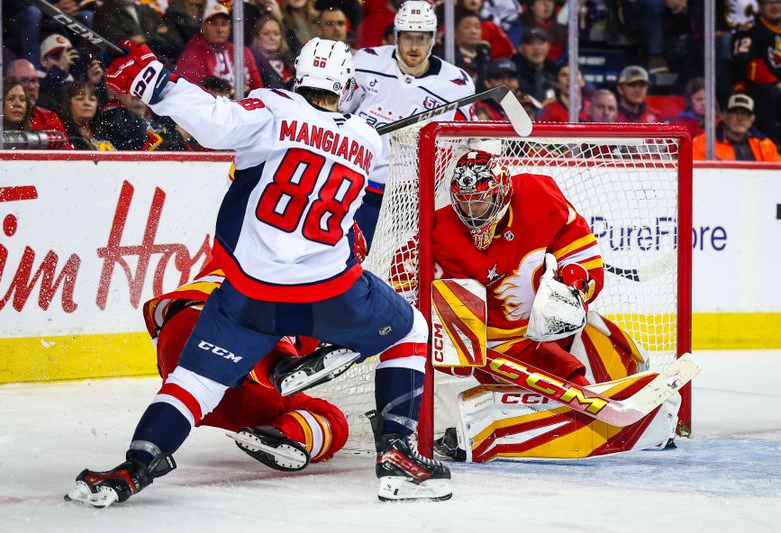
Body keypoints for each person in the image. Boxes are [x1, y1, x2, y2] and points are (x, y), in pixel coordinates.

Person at [65, 37, 450, 507]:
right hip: (331, 292)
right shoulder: (366, 139)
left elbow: (216, 122)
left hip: (251, 294)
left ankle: (136, 466)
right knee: (409, 330)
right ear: (346, 85)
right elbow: (358, 210)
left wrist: (155, 83)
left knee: (195, 382)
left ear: (296, 74)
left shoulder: (271, 109)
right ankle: (397, 454)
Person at [424, 149, 680, 461]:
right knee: (563, 372)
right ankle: (581, 409)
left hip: (547, 323)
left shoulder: (537, 195)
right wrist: (448, 339)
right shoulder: (441, 230)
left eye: (479, 201)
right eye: (463, 203)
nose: (472, 212)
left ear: (502, 191)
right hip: (499, 344)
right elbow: (409, 278)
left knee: (600, 333)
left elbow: (579, 253)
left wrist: (576, 280)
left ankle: (609, 391)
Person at [143, 264, 349, 471]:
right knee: (333, 421)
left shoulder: (249, 247)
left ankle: (276, 417)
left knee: (262, 337)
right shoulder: (320, 279)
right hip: (234, 386)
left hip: (181, 351)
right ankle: (282, 413)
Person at [347, 0, 475, 246]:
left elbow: (463, 140)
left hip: (408, 199)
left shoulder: (456, 86)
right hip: (357, 190)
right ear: (396, 36)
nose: (414, 46)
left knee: (397, 269)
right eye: (407, 37)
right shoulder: (366, 63)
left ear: (433, 38)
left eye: (422, 38)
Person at [175, 2, 264, 89]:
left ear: (229, 27)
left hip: (244, 102)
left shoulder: (242, 51)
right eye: (214, 24)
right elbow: (191, 92)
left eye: (224, 24)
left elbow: (258, 88)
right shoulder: (192, 55)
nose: (220, 29)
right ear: (203, 28)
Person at [731, 0, 781, 147]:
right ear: (760, 6)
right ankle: (771, 145)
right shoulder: (749, 32)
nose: (775, 6)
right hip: (754, 89)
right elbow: (750, 66)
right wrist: (776, 84)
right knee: (771, 94)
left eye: (778, 2)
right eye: (769, 3)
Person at [5, 59, 73, 149]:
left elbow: (67, 158)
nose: (31, 86)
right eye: (24, 80)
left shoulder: (49, 119)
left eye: (34, 81)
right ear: (5, 83)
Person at [692, 93, 781, 161]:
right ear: (725, 116)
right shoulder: (704, 143)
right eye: (735, 112)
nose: (740, 118)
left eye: (745, 114)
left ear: (752, 119)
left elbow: (777, 176)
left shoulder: (765, 145)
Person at [60, 81, 117, 150]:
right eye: (80, 99)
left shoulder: (105, 132)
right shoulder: (62, 133)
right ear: (69, 104)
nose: (87, 103)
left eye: (92, 99)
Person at [511, 27, 558, 104]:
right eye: (530, 44)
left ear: (548, 46)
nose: (536, 48)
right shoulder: (513, 72)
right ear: (520, 48)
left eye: (540, 43)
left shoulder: (556, 70)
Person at [250, 15, 295, 89]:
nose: (272, 37)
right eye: (266, 34)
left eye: (276, 34)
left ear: (282, 37)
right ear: (257, 37)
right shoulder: (253, 64)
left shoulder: (290, 63)